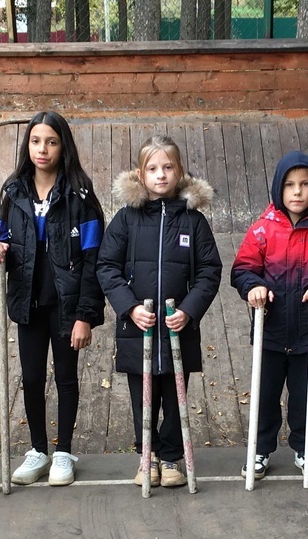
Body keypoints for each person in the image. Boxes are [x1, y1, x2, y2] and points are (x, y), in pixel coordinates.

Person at [0, 112, 105, 487]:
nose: (43, 149)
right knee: (32, 378)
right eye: (36, 141)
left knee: (66, 377)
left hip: (66, 306)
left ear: (63, 145)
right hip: (28, 304)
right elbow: (0, 247)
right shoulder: (13, 192)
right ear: (27, 145)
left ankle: (63, 451)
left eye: (51, 141)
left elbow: (93, 260)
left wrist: (85, 314)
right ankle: (38, 450)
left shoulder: (81, 195)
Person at [97, 135, 222, 488]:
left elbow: (209, 271)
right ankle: (146, 456)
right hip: (140, 330)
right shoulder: (125, 219)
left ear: (179, 171)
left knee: (174, 392)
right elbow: (107, 266)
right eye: (153, 168)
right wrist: (129, 307)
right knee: (143, 396)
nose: (161, 175)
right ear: (141, 173)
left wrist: (189, 310)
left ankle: (170, 458)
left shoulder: (193, 221)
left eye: (168, 167)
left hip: (177, 329)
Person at [230, 150, 308, 480]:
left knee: (304, 394)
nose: (297, 192)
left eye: (305, 184)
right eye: (289, 185)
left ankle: (305, 448)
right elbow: (242, 269)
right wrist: (253, 286)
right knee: (265, 393)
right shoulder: (262, 230)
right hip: (270, 329)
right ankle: (260, 449)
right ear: (277, 189)